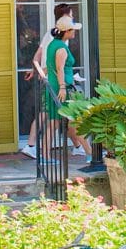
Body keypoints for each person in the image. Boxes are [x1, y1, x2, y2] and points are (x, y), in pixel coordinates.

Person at [21, 3, 86, 159]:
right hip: (54, 82)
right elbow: (55, 64)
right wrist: (44, 74)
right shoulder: (57, 39)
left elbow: (40, 57)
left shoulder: (56, 37)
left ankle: (77, 146)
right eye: (70, 15)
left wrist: (35, 70)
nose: (72, 17)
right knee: (52, 118)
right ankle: (35, 148)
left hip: (51, 79)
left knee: (59, 118)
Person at [45, 14, 92, 162]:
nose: (74, 32)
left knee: (55, 122)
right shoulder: (61, 48)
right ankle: (90, 154)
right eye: (73, 29)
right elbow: (59, 68)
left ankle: (45, 155)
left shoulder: (53, 45)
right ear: (66, 31)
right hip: (61, 89)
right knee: (74, 121)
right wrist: (63, 88)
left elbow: (51, 66)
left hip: (54, 87)